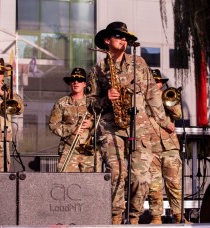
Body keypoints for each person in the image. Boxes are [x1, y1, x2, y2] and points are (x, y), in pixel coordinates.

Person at [87, 21, 174, 224]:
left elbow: (153, 94)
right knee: (116, 174)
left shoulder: (140, 63)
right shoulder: (98, 69)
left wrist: (164, 121)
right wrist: (106, 97)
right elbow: (90, 103)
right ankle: (116, 217)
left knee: (142, 178)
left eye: (126, 37)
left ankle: (134, 217)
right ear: (108, 40)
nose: (124, 40)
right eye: (119, 37)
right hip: (111, 128)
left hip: (139, 126)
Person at [147, 69, 188, 224]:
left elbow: (178, 115)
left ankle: (179, 217)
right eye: (153, 81)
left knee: (175, 183)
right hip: (151, 146)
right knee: (154, 185)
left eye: (158, 82)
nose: (156, 84)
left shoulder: (168, 96)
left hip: (170, 146)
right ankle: (156, 217)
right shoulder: (142, 99)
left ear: (161, 84)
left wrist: (169, 101)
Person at [49, 67, 100, 172]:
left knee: (93, 185)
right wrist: (72, 129)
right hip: (68, 149)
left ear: (85, 84)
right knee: (67, 183)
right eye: (73, 80)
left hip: (89, 151)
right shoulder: (62, 103)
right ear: (70, 83)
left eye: (80, 80)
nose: (76, 82)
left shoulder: (93, 103)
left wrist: (91, 124)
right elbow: (53, 125)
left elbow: (103, 123)